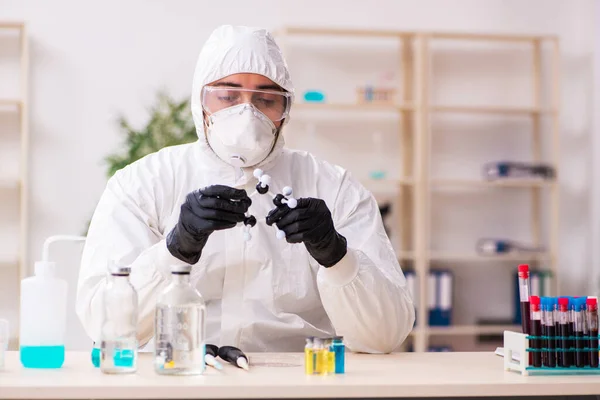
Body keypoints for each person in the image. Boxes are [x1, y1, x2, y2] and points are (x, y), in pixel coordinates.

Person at [76, 25, 415, 353]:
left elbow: (385, 337)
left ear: (285, 111)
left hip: (301, 381)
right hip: (178, 375)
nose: (247, 113)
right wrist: (175, 249)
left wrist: (336, 255)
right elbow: (108, 329)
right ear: (201, 103)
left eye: (266, 99)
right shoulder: (144, 183)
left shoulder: (334, 188)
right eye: (227, 96)